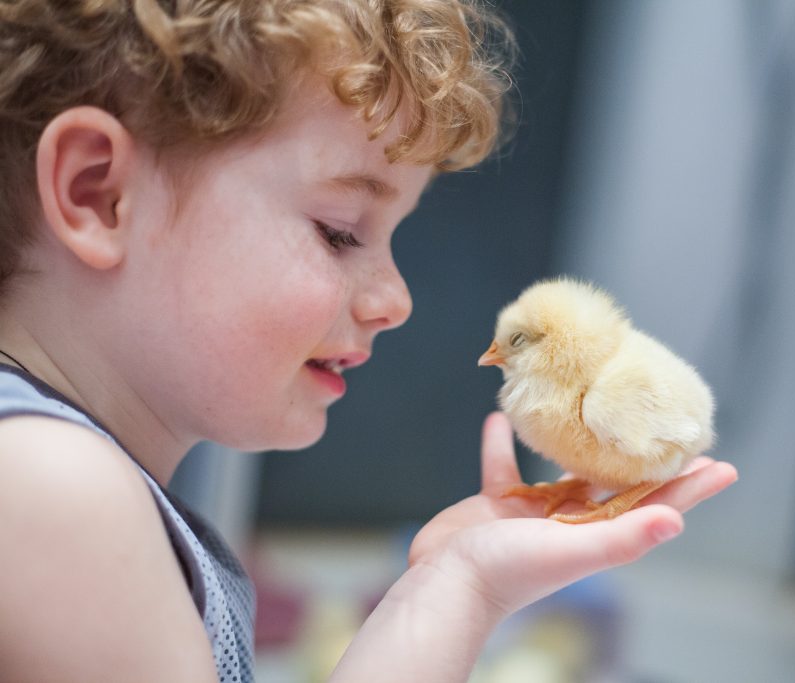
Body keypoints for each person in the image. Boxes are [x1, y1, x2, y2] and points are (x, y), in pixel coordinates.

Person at [0, 1, 739, 681]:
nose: (396, 300)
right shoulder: (56, 492)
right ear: (98, 192)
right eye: (341, 231)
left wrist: (461, 586)